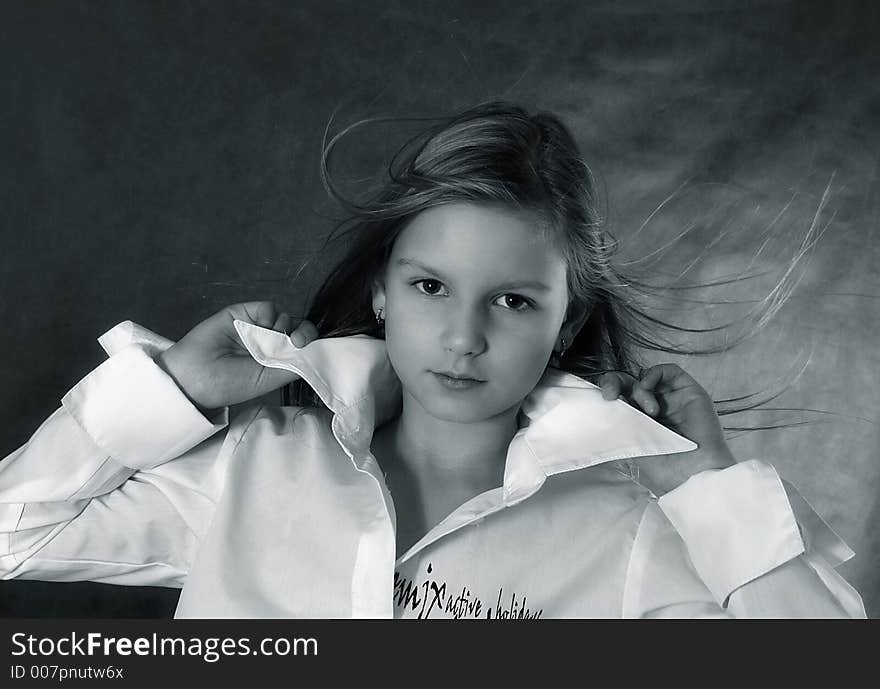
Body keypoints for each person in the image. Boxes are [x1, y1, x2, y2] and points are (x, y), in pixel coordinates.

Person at [0, 101, 865, 618]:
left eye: (514, 300)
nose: (464, 337)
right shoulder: (252, 471)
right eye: (429, 288)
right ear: (381, 291)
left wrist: (708, 484)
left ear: (567, 324)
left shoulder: (630, 528)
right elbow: (15, 533)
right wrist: (175, 390)